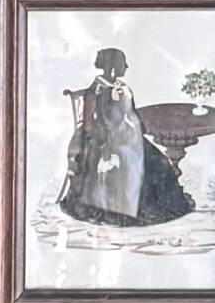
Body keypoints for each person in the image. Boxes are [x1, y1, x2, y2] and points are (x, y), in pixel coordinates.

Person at [55, 45, 194, 227]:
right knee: (132, 161)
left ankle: (156, 205)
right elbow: (89, 126)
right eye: (123, 63)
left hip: (127, 136)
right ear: (113, 66)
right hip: (104, 139)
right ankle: (126, 209)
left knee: (159, 161)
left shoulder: (123, 88)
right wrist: (102, 147)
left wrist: (136, 130)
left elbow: (132, 115)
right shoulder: (94, 91)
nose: (126, 67)